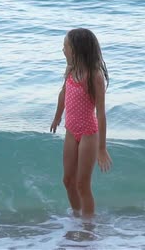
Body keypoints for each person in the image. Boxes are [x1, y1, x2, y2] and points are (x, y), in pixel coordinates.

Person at [50, 28, 113, 219]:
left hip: (88, 133)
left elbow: (101, 114)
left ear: (77, 50)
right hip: (71, 131)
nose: (63, 50)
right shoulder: (70, 70)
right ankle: (76, 217)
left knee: (82, 184)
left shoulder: (95, 76)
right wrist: (57, 116)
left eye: (65, 46)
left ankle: (89, 227)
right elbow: (64, 93)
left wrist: (102, 148)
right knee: (68, 180)